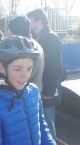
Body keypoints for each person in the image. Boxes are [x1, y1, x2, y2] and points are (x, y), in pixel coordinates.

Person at [0, 35, 56, 145]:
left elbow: (41, 125)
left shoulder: (34, 91)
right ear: (1, 68)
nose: (25, 75)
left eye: (29, 68)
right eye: (18, 69)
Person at [27, 8, 63, 140]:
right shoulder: (38, 37)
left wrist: (48, 91)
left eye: (30, 21)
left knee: (47, 124)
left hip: (46, 89)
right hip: (39, 87)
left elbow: (55, 67)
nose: (29, 25)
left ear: (39, 22)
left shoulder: (52, 38)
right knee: (40, 123)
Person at [8, 15, 45, 91]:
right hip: (33, 94)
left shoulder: (22, 48)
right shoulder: (36, 45)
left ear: (16, 32)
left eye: (11, 31)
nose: (9, 34)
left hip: (22, 95)